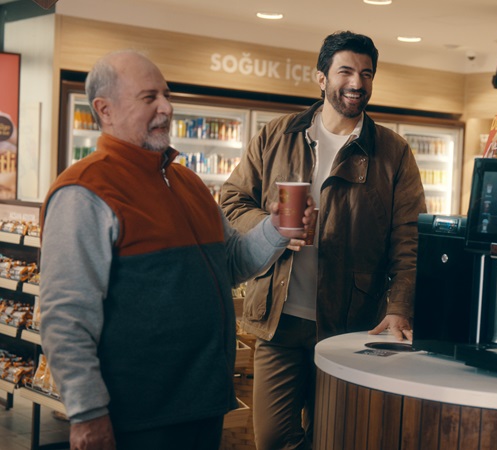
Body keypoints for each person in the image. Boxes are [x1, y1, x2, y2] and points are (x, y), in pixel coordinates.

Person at [39, 50, 314, 450]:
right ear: (105, 110)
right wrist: (87, 412)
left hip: (202, 404)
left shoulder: (188, 183)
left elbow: (232, 261)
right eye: (149, 98)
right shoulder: (83, 191)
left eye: (166, 95)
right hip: (138, 416)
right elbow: (65, 317)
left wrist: (276, 229)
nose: (167, 108)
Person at [220, 30, 426, 449]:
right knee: (273, 438)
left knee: (336, 436)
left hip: (349, 325)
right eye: (346, 71)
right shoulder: (278, 134)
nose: (357, 82)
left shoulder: (393, 152)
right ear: (321, 77)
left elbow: (409, 239)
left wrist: (400, 307)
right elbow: (232, 201)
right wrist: (270, 227)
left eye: (366, 74)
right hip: (279, 319)